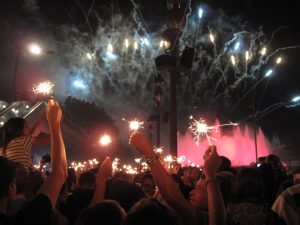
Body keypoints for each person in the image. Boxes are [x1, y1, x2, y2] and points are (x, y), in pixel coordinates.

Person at [129, 132, 226, 225]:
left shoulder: (205, 219)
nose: (191, 193)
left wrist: (148, 152)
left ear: (217, 195)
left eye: (199, 189)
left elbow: (174, 198)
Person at [0, 99, 67, 225]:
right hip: (23, 182)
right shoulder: (21, 141)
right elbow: (49, 138)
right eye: (26, 127)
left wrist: (41, 117)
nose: (29, 128)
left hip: (12, 182)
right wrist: (56, 123)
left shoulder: (7, 146)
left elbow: (33, 132)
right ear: (19, 130)